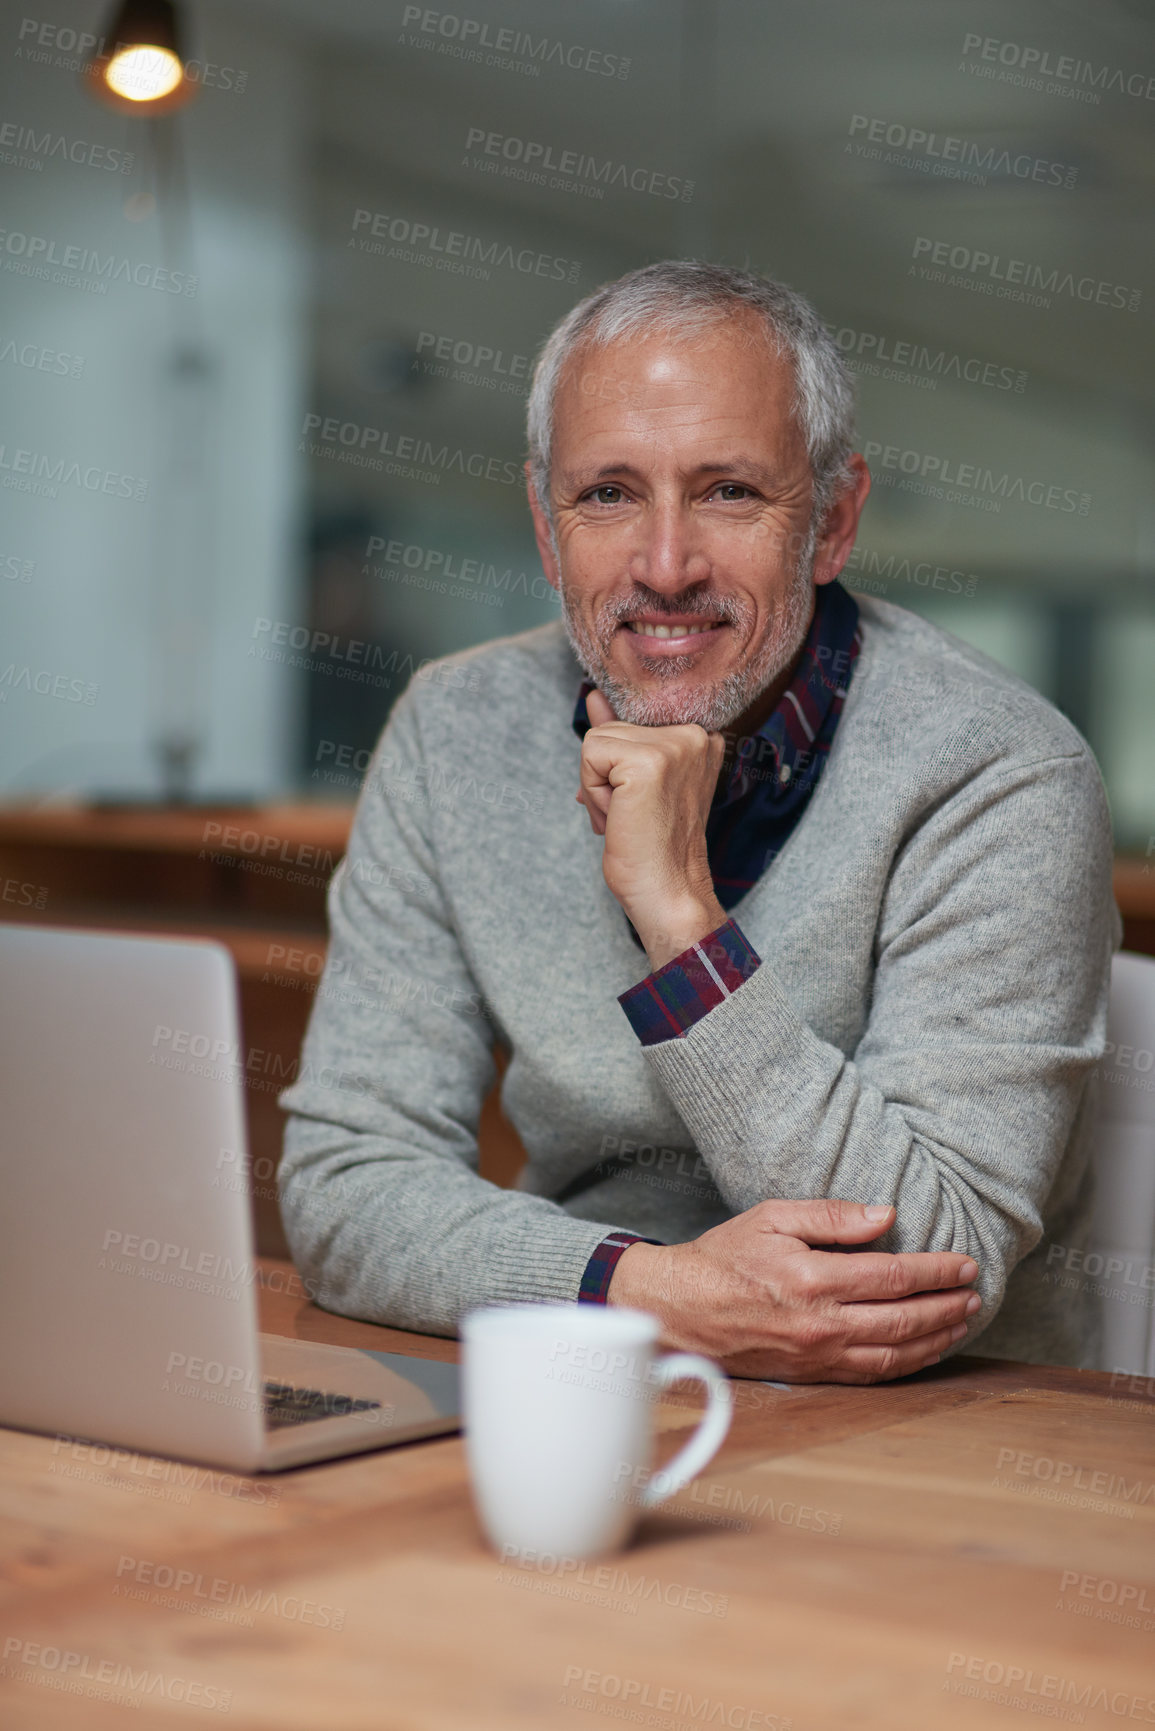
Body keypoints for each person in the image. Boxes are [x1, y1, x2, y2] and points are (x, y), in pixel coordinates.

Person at [278, 260, 1119, 1382]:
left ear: (830, 523)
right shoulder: (452, 729)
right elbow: (342, 1188)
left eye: (729, 492)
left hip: (934, 1441)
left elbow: (929, 1261)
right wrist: (647, 1291)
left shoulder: (1000, 773)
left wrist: (682, 920)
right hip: (585, 1381)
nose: (664, 566)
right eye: (609, 495)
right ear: (545, 526)